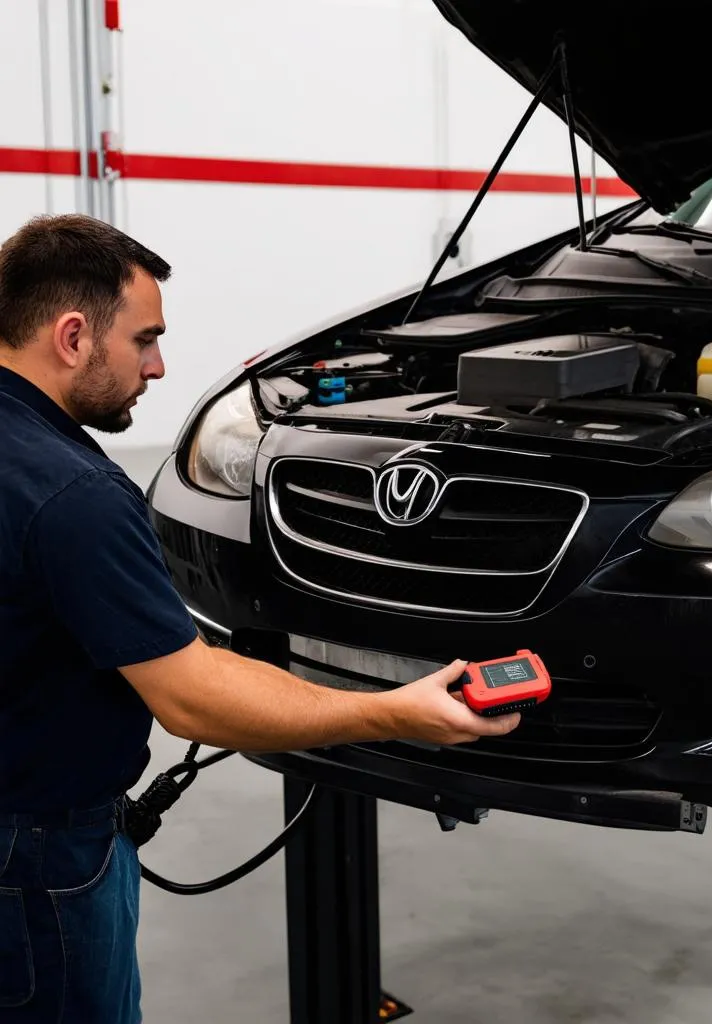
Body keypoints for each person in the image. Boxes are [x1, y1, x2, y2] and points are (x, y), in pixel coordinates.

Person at [0, 214, 521, 1024]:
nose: (160, 366)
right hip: (37, 860)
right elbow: (191, 701)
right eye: (145, 340)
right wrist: (394, 710)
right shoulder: (75, 494)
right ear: (72, 336)